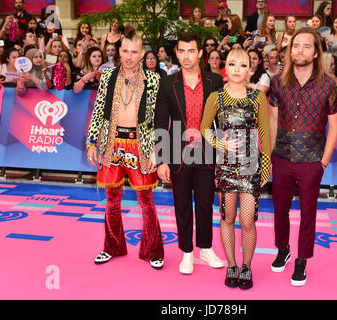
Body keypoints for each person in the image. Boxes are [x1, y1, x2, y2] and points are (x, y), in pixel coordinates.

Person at [86, 24, 164, 269]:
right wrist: (91, 141)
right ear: (119, 51)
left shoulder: (153, 79)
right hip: (111, 144)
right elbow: (99, 111)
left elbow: (156, 118)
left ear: (142, 54)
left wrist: (156, 149)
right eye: (125, 51)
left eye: (134, 52)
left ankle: (153, 251)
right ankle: (113, 246)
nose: (129, 56)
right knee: (111, 200)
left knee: (146, 202)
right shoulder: (107, 76)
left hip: (140, 146)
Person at [269, 27, 337, 287]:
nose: (300, 50)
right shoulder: (278, 81)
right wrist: (270, 154)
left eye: (306, 46)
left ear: (316, 52)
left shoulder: (328, 84)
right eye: (295, 45)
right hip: (282, 157)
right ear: (289, 50)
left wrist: (323, 162)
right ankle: (283, 249)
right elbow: (274, 118)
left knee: (308, 213)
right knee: (279, 209)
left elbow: (334, 125)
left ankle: (302, 259)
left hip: (312, 160)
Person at [200, 48, 271, 289]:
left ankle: (247, 266)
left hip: (251, 167)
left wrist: (266, 164)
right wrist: (219, 142)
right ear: (225, 68)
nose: (237, 70)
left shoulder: (257, 97)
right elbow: (204, 127)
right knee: (227, 218)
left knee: (248, 220)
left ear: (249, 69)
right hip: (226, 166)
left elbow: (264, 132)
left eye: (242, 65)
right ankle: (232, 264)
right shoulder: (215, 97)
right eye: (232, 64)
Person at [154, 31, 224, 275]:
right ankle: (187, 253)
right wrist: (161, 160)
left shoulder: (214, 81)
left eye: (191, 51)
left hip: (206, 153)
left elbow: (221, 122)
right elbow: (161, 123)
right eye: (181, 51)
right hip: (178, 153)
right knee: (182, 205)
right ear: (176, 53)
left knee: (206, 204)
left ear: (201, 53)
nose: (186, 56)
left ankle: (206, 248)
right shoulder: (167, 83)